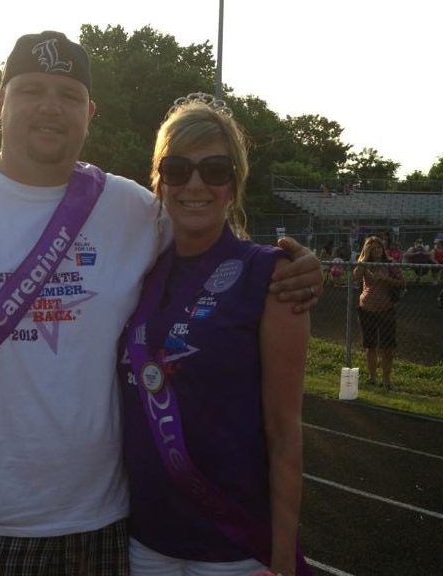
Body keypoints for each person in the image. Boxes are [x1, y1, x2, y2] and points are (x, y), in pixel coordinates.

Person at [0, 32, 322, 575]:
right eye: (31, 90)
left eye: (67, 95)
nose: (50, 107)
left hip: (102, 531)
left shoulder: (135, 211)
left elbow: (206, 239)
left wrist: (296, 265)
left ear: (89, 112)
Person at [118, 95, 310, 576]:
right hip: (146, 541)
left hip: (235, 547)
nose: (196, 184)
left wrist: (283, 560)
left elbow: (286, 433)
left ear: (234, 184)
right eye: (178, 169)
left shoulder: (271, 274)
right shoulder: (136, 272)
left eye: (216, 170)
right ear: (160, 181)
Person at [353, 236, 405, 390]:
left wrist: (386, 278)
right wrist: (363, 261)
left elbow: (402, 283)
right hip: (366, 309)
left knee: (387, 347)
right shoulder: (364, 264)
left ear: (383, 249)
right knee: (370, 346)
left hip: (385, 310)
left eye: (378, 248)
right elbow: (355, 277)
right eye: (372, 248)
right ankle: (372, 377)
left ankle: (386, 380)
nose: (376, 251)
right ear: (367, 249)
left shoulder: (389, 264)